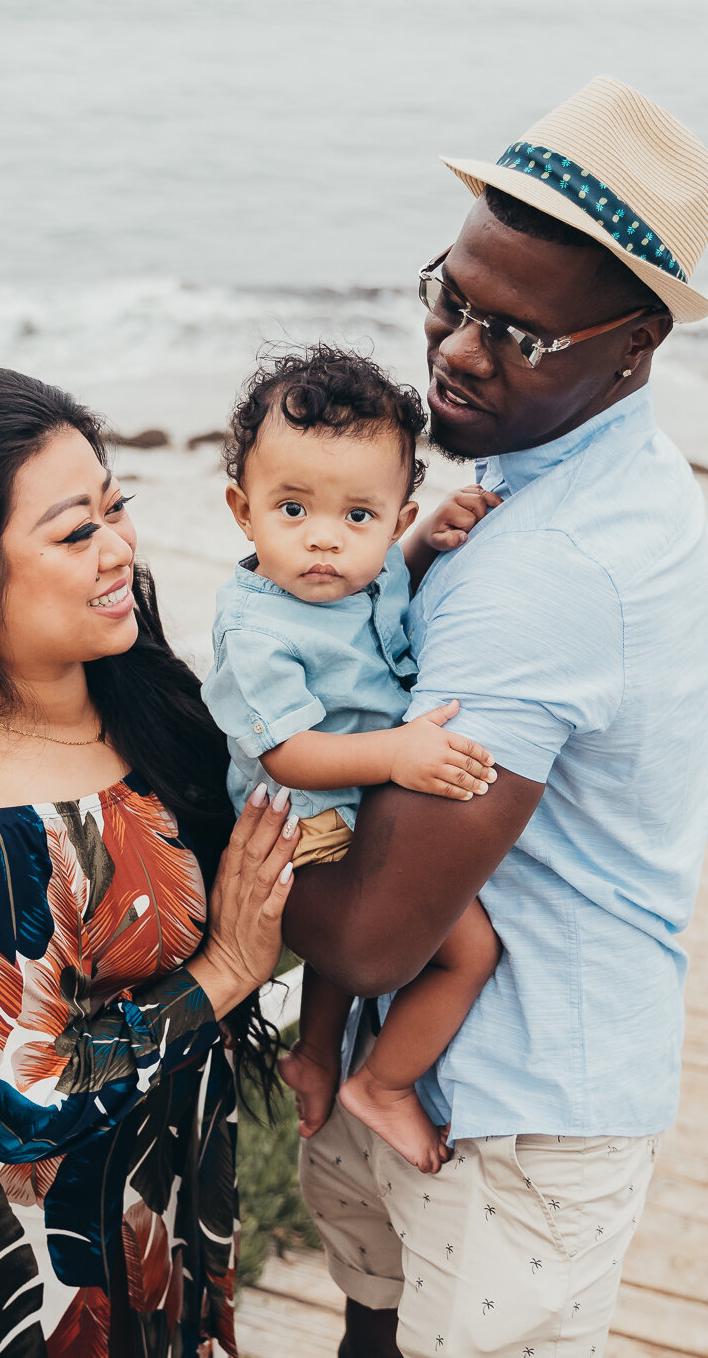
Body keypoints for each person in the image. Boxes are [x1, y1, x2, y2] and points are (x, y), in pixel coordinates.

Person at [281, 75, 708, 1358]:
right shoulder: (598, 475)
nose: (457, 352)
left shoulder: (546, 566)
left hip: (513, 1104)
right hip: (434, 1072)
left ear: (637, 340)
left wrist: (154, 845)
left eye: (520, 336)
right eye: (450, 296)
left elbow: (370, 936)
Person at [0, 366, 300, 1358]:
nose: (118, 549)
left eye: (116, 509)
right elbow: (25, 1096)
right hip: (29, 1274)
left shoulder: (135, 700)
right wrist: (222, 976)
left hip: (155, 1223)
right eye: (75, 534)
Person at [199, 346, 504, 1175]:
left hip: (350, 804)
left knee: (365, 946)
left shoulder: (364, 574)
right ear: (242, 509)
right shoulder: (256, 627)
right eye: (292, 509)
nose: (325, 542)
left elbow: (371, 608)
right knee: (468, 950)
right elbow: (289, 751)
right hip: (300, 821)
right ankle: (388, 1082)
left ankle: (319, 1055)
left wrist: (424, 551)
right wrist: (399, 753)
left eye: (358, 518)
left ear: (395, 518)